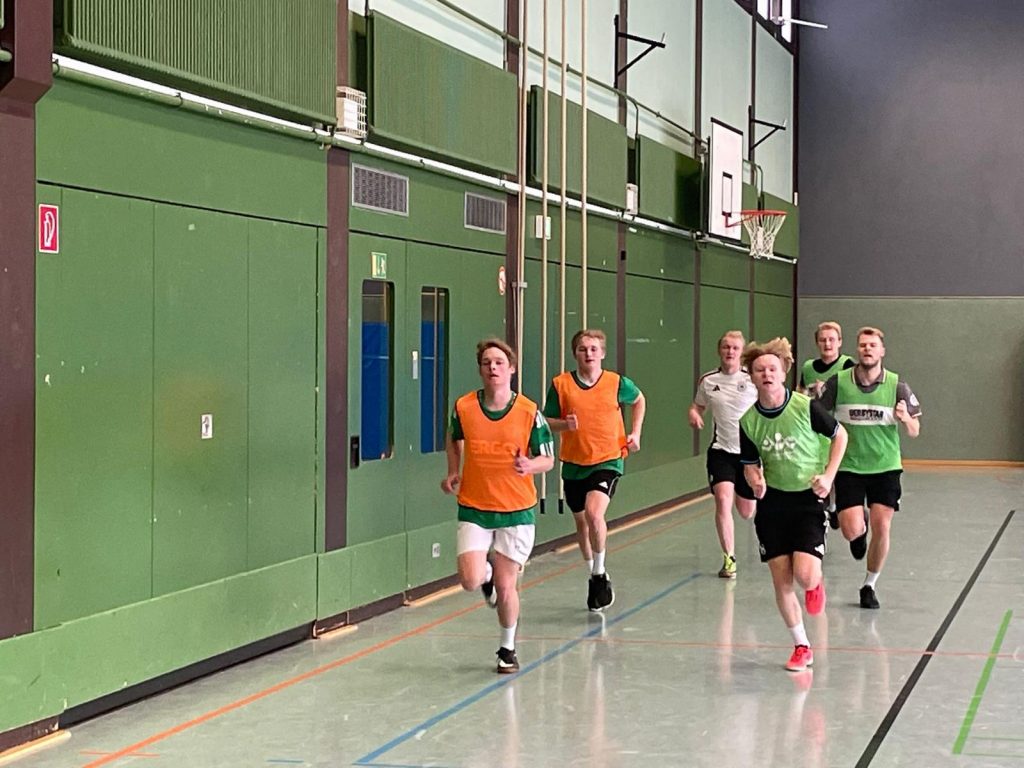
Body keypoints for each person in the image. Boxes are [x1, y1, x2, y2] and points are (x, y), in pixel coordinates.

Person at [441, 338, 554, 673]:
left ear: (511, 369)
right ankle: (485, 574)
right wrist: (453, 470)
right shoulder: (464, 407)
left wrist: (529, 465)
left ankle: (507, 648)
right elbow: (453, 437)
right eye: (487, 362)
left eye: (499, 362)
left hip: (515, 510)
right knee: (470, 580)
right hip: (474, 506)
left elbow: (548, 459)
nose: (493, 367)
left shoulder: (528, 411)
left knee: (507, 587)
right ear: (480, 369)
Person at [738, 337, 848, 672]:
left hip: (807, 499)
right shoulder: (748, 421)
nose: (767, 374)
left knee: (805, 574)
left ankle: (816, 584)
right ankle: (801, 646)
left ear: (783, 372)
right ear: (751, 376)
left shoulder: (804, 407)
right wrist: (755, 480)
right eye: (759, 370)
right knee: (782, 579)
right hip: (773, 504)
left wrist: (828, 476)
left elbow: (840, 435)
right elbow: (749, 463)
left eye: (772, 368)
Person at [819, 326, 921, 610]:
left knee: (883, 526)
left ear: (882, 351)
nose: (867, 349)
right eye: (863, 345)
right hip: (849, 466)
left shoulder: (897, 386)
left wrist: (905, 418)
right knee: (851, 530)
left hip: (885, 467)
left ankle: (869, 585)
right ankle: (858, 528)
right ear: (857, 349)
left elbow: (915, 429)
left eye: (873, 345)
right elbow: (816, 414)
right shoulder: (839, 382)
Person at [543, 329, 645, 612]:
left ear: (602, 353)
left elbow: (639, 400)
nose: (588, 353)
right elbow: (546, 421)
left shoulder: (615, 382)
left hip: (608, 459)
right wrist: (565, 424)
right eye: (582, 349)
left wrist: (635, 432)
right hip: (574, 463)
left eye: (593, 349)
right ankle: (595, 576)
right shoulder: (561, 385)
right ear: (575, 354)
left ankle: (599, 572)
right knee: (582, 524)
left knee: (593, 513)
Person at [688, 330, 759, 579]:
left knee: (746, 511)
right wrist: (694, 414)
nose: (730, 352)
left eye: (735, 348)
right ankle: (729, 558)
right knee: (722, 499)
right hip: (721, 451)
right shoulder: (708, 380)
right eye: (726, 347)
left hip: (749, 454)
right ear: (720, 350)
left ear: (742, 353)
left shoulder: (753, 378)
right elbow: (698, 406)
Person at [798, 321, 856, 530]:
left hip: (839, 428)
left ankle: (840, 508)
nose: (827, 344)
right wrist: (808, 393)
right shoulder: (808, 367)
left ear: (839, 342)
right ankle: (824, 510)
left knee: (839, 473)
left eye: (832, 339)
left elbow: (854, 393)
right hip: (815, 432)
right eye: (823, 340)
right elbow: (800, 394)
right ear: (817, 343)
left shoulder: (848, 365)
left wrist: (829, 390)